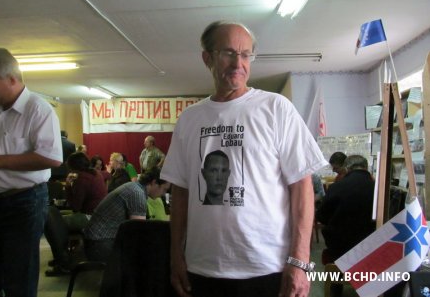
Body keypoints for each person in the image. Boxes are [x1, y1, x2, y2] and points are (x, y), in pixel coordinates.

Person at [160, 21, 327, 297]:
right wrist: (175, 255)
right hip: (202, 269)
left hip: (267, 268)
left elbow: (302, 188)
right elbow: (181, 191)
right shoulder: (189, 119)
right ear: (207, 58)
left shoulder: (276, 108)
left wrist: (300, 262)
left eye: (246, 54)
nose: (238, 62)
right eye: (228, 52)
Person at [0, 48, 63, 297]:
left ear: (12, 79)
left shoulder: (39, 110)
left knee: (19, 277)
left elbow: (52, 158)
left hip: (23, 203)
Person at [83, 167, 170, 262]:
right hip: (100, 244)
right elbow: (138, 232)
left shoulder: (133, 186)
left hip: (96, 241)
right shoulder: (137, 194)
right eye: (164, 189)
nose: (163, 194)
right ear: (154, 182)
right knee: (150, 255)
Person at [44, 152, 107, 276]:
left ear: (72, 166)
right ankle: (63, 257)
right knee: (56, 219)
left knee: (52, 225)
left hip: (89, 217)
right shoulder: (95, 173)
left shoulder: (81, 178)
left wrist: (68, 185)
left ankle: (63, 263)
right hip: (98, 215)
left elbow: (75, 207)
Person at [317, 155, 376, 262]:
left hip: (340, 247)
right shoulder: (378, 188)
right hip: (371, 248)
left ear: (347, 168)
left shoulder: (336, 187)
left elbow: (322, 217)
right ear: (366, 168)